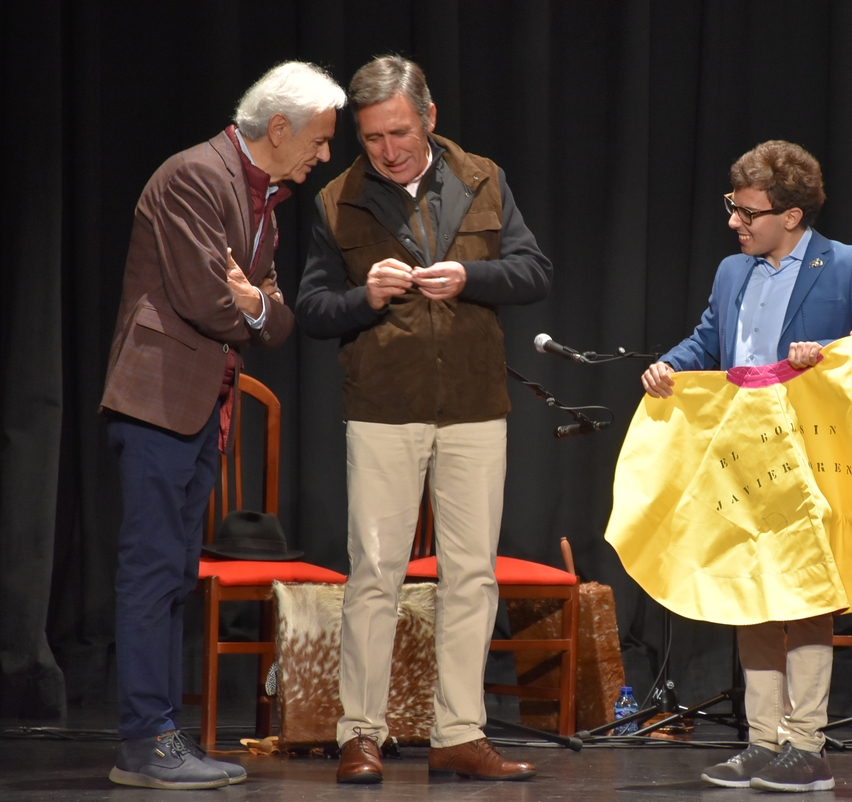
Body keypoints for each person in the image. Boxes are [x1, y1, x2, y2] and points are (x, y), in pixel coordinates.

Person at [294, 55, 552, 785]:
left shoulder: (482, 178)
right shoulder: (337, 200)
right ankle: (361, 735)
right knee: (375, 573)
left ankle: (459, 734)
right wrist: (362, 299)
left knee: (471, 575)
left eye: (399, 132)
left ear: (429, 118)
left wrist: (473, 277)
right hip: (383, 410)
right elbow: (311, 309)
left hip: (473, 408)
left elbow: (535, 272)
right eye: (372, 137)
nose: (388, 149)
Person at [100, 62, 345, 789]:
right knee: (151, 571)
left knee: (175, 571)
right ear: (280, 129)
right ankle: (144, 743)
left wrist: (255, 300)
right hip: (158, 401)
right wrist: (244, 298)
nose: (325, 155)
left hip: (203, 404)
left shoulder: (264, 197)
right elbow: (209, 301)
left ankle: (161, 736)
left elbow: (275, 316)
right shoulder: (193, 178)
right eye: (322, 140)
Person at [641, 140, 852, 793]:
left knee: (806, 596)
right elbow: (709, 339)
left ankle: (806, 745)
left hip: (813, 457)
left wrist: (830, 357)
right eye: (733, 208)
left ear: (792, 215)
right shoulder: (733, 271)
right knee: (750, 593)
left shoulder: (846, 266)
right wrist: (671, 363)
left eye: (748, 212)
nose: (735, 222)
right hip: (743, 452)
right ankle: (762, 741)